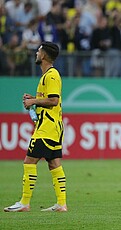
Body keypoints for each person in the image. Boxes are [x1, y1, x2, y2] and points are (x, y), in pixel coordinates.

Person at [4, 41, 67, 212]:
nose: (36, 53)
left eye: (39, 51)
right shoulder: (47, 76)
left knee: (29, 161)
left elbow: (53, 101)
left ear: (44, 55)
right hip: (53, 127)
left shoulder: (51, 75)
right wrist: (34, 99)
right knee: (54, 164)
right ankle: (61, 204)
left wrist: (33, 101)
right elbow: (48, 100)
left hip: (47, 128)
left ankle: (24, 202)